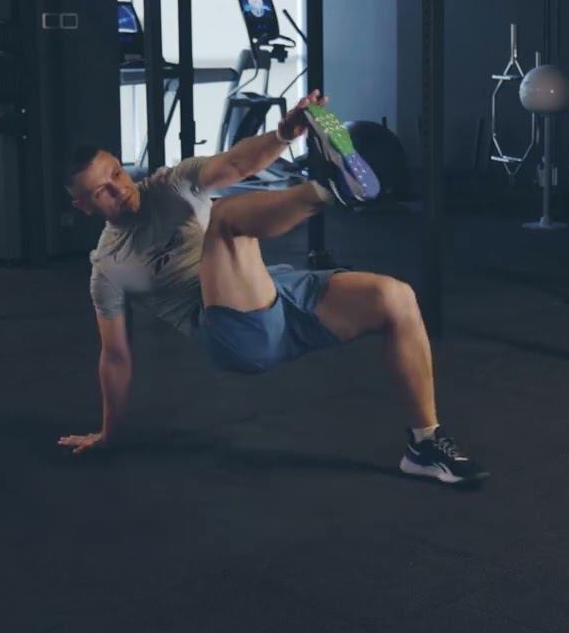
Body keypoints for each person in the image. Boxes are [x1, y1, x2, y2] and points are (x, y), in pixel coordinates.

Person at [58, 91, 487, 485]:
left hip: (275, 291)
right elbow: (115, 356)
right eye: (101, 192)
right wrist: (108, 433)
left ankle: (425, 445)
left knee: (395, 298)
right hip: (230, 334)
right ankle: (327, 190)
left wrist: (284, 134)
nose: (119, 189)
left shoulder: (172, 183)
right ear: (83, 206)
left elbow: (236, 165)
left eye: (117, 173)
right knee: (226, 219)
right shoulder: (107, 267)